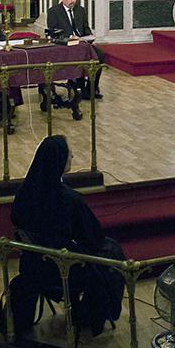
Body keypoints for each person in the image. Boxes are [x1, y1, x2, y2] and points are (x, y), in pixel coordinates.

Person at [11, 135, 124, 336]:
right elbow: (93, 237)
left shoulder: (24, 192)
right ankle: (93, 315)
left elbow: (16, 220)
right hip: (63, 271)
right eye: (68, 153)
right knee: (112, 252)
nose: (72, 155)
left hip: (32, 265)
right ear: (60, 160)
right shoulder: (69, 199)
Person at [47, 0, 104, 99]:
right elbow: (53, 32)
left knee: (100, 56)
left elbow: (85, 28)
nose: (72, 0)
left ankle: (91, 88)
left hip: (82, 43)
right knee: (77, 56)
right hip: (65, 45)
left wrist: (89, 36)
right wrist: (69, 37)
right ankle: (77, 83)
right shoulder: (54, 11)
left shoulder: (80, 10)